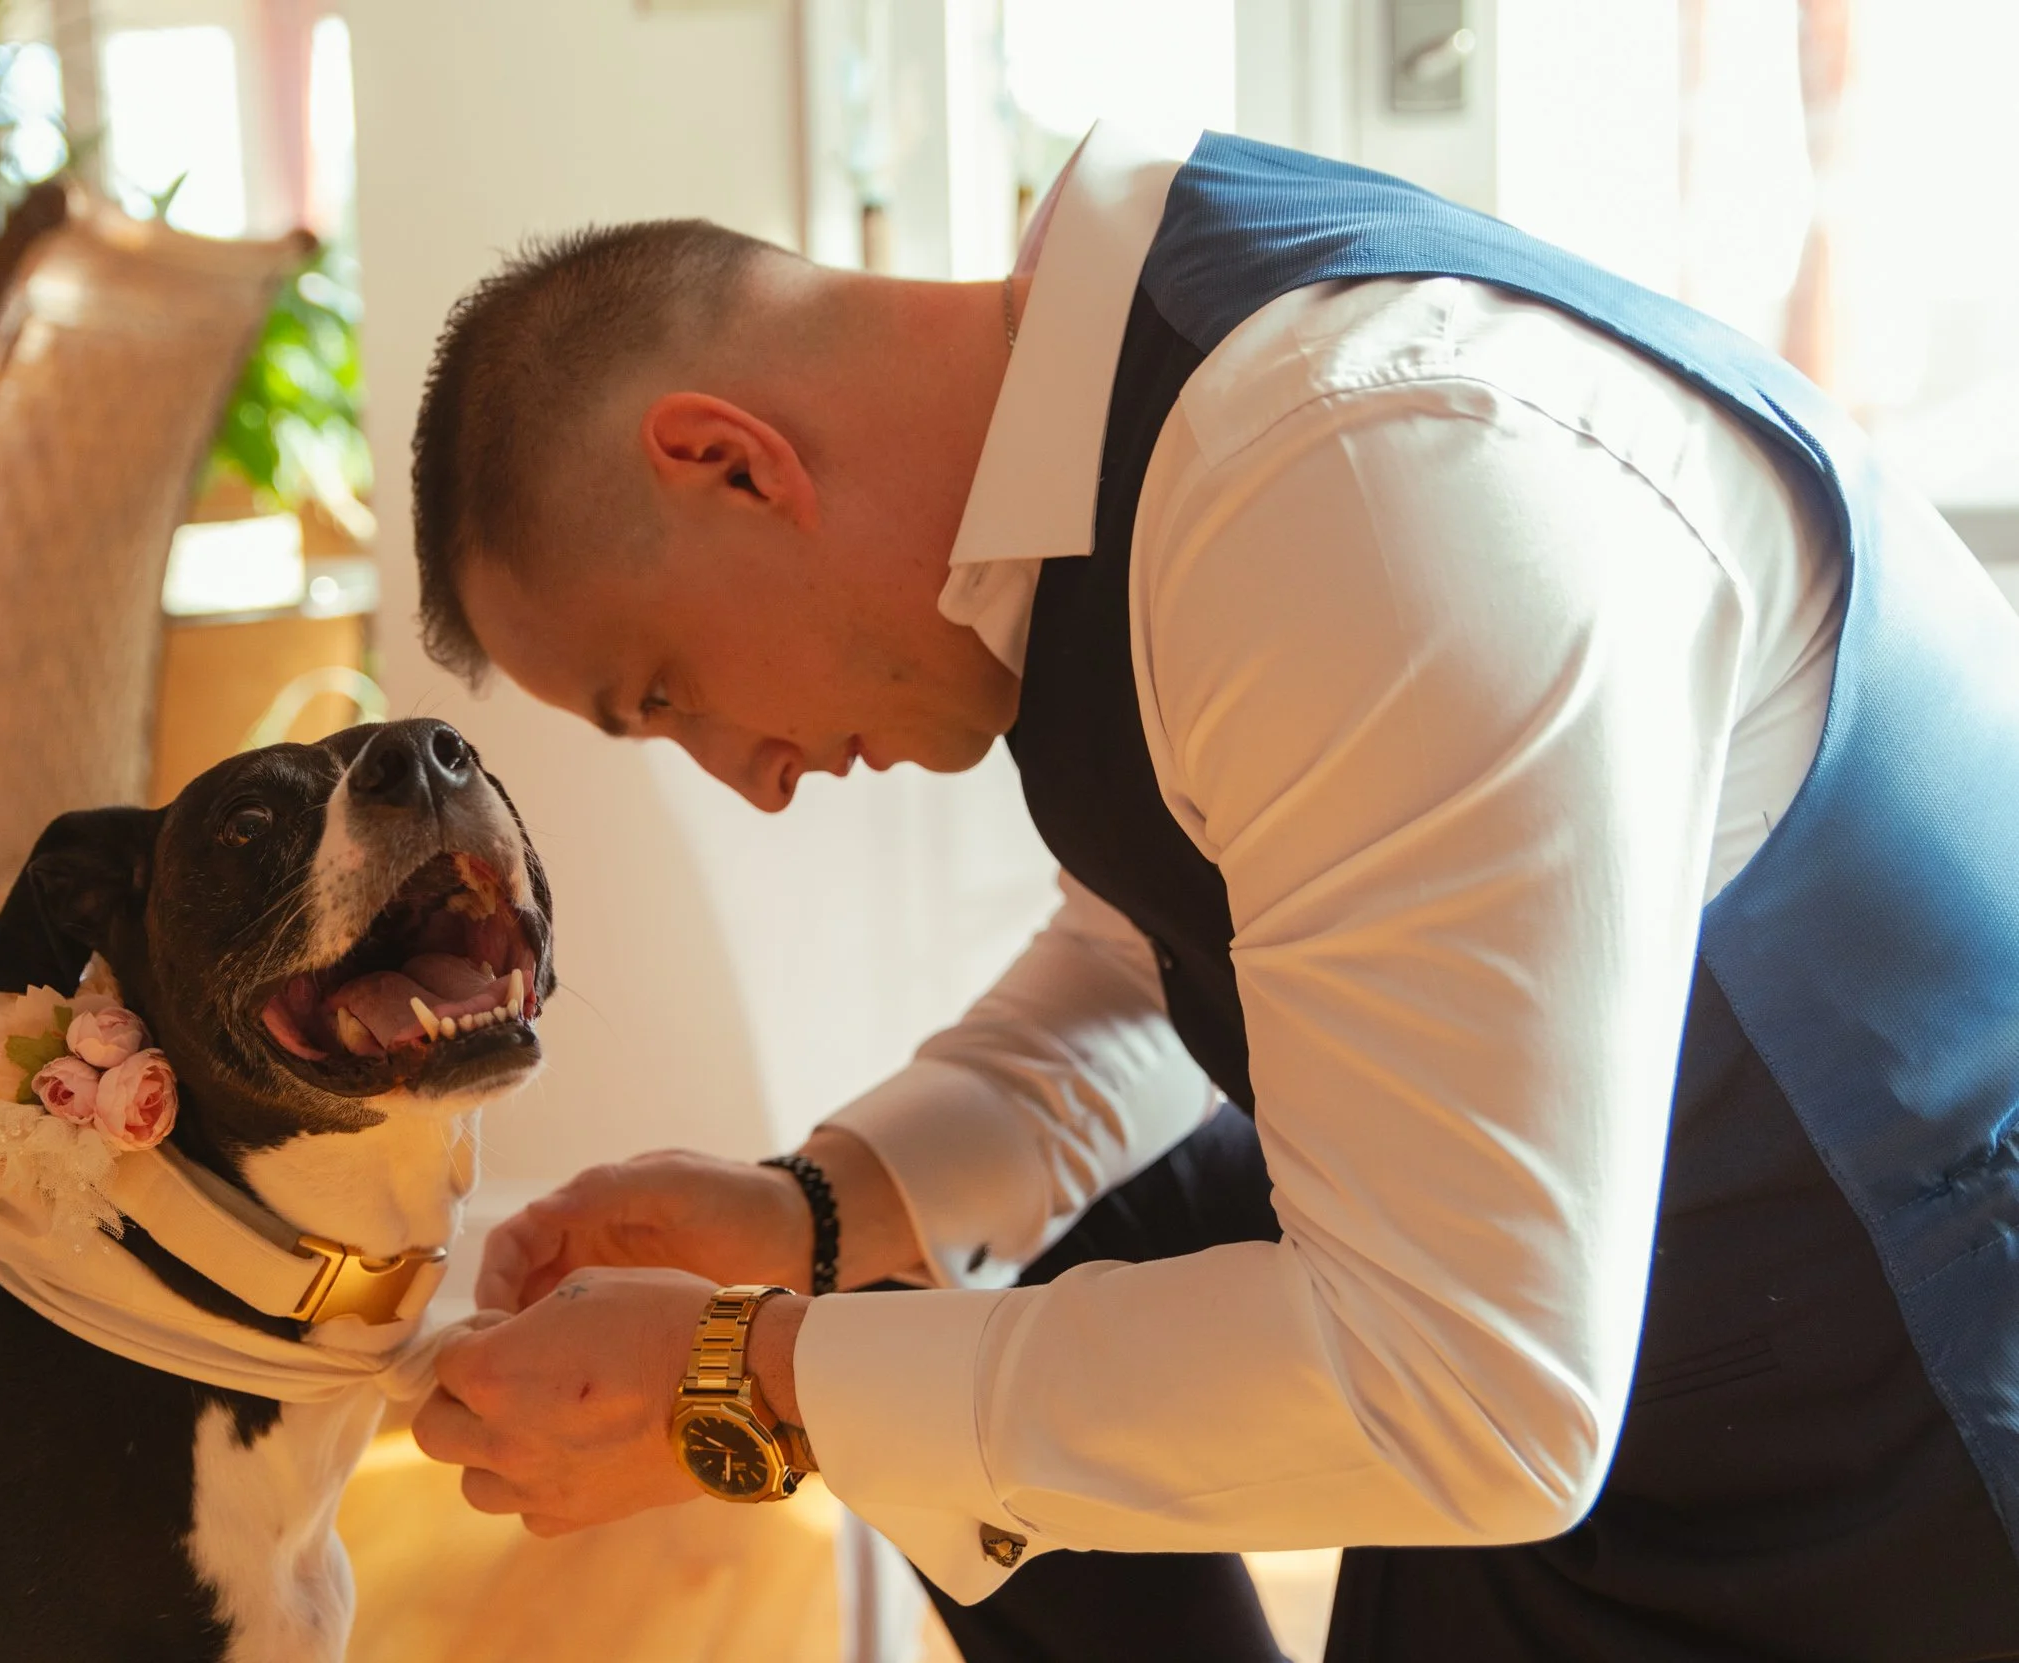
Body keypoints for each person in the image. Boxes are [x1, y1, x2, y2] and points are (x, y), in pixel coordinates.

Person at [403, 122, 2019, 1660]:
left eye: (666, 689)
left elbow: (1476, 1396)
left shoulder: (1341, 476)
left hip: (1902, 1378)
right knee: (978, 1273)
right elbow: (1165, 953)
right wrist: (816, 1215)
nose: (745, 775)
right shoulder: (1116, 410)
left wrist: (741, 1383)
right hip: (1620, 1308)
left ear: (729, 464)